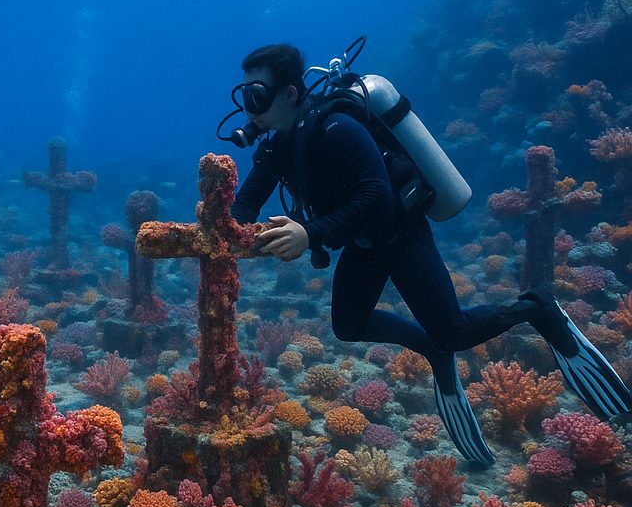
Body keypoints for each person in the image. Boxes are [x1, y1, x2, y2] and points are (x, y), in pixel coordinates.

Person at [225, 42, 632, 465]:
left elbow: (376, 196)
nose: (248, 108)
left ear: (289, 93)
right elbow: (246, 203)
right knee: (349, 324)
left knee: (453, 331)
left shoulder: (337, 129)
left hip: (401, 234)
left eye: (256, 95)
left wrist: (310, 233)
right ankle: (434, 350)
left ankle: (537, 307)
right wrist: (220, 227)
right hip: (364, 243)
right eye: (243, 95)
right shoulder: (277, 147)